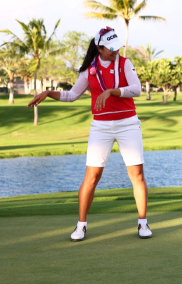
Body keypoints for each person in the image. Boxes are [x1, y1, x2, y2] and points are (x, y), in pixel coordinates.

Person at [28, 27, 152, 242]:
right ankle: (81, 226)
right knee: (92, 177)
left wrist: (112, 91)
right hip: (101, 126)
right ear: (99, 48)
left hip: (128, 123)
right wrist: (49, 93)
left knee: (137, 175)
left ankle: (143, 223)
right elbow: (71, 95)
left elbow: (137, 89)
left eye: (116, 48)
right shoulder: (89, 70)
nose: (115, 52)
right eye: (110, 49)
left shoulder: (124, 63)